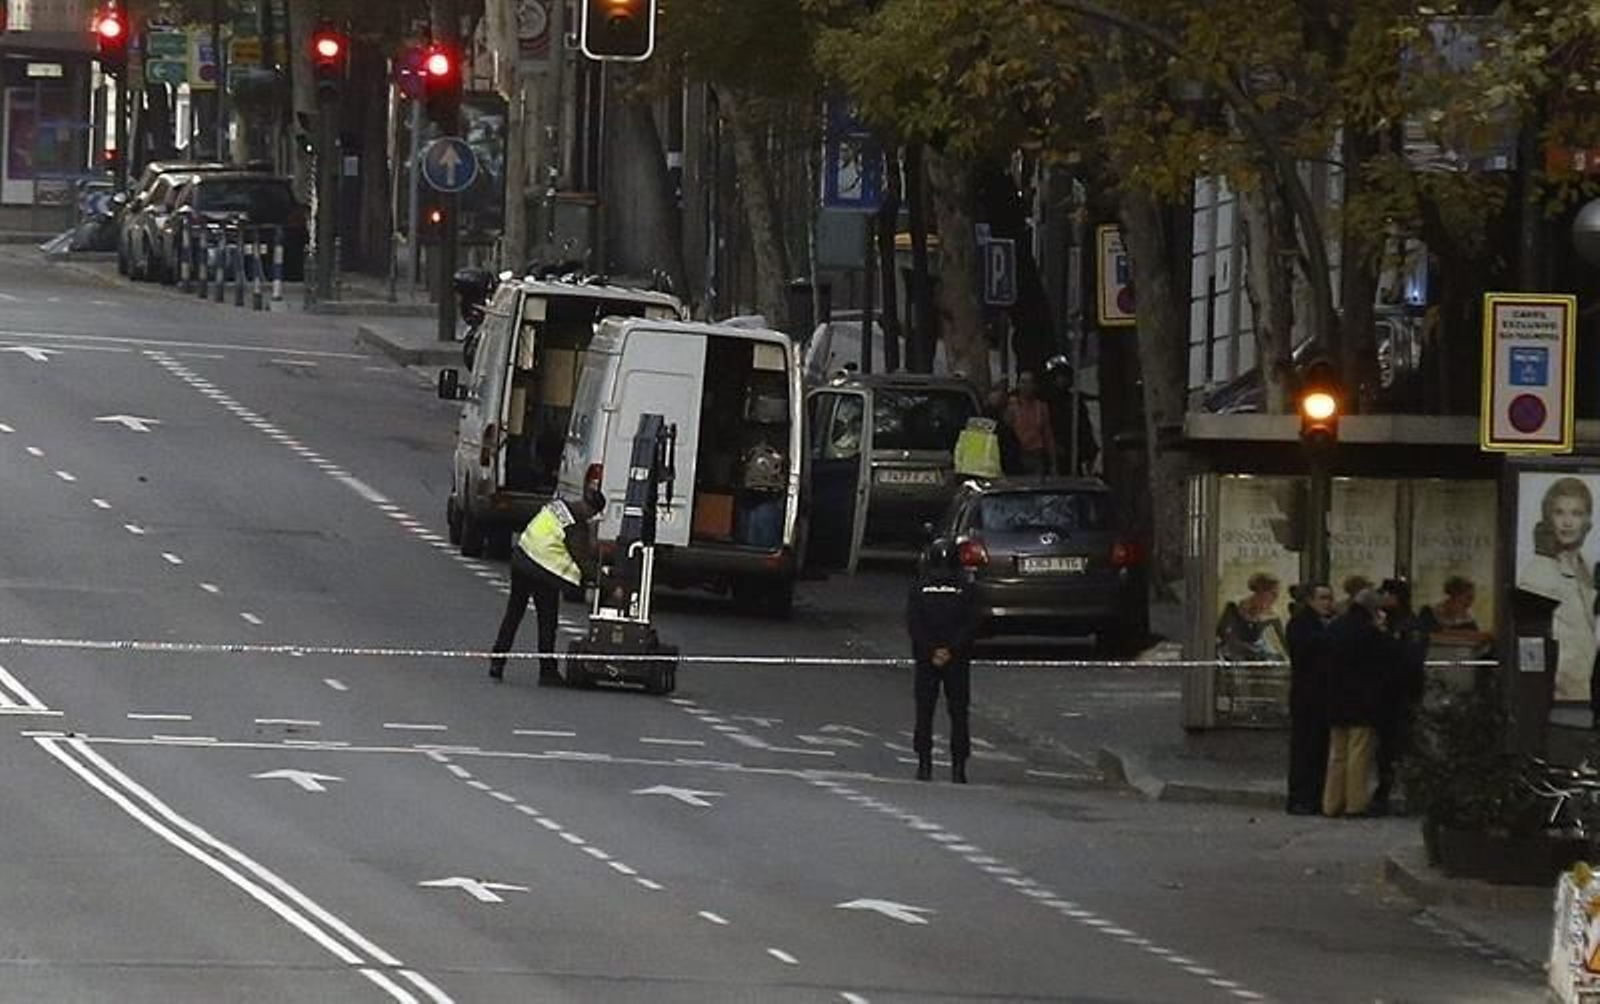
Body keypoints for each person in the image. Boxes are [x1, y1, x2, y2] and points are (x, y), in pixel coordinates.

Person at [490, 490, 606, 684]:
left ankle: (497, 662)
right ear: (591, 511)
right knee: (547, 621)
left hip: (521, 558)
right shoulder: (577, 526)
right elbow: (582, 560)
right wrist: (605, 582)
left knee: (513, 614)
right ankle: (547, 671)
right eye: (594, 514)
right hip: (542, 572)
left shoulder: (557, 506)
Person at [1517, 477, 1599, 707]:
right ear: (1548, 518)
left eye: (1576, 513)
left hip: (1583, 697)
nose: (1567, 522)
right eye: (1559, 512)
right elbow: (1529, 643)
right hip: (1558, 700)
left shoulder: (1585, 569)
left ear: (1587, 520)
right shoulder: (1540, 570)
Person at [907, 539, 980, 783]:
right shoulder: (966, 589)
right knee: (959, 712)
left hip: (927, 659)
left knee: (924, 712)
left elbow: (914, 624)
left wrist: (931, 650)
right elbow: (971, 624)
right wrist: (951, 649)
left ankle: (924, 765)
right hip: (957, 659)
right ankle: (958, 768)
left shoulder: (920, 588)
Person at [1322, 589, 1399, 818]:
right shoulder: (1370, 632)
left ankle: (1331, 803)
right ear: (1373, 610)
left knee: (1337, 754)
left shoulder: (1335, 627)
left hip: (1335, 697)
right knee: (1359, 753)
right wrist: (1383, 629)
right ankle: (1355, 804)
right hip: (1363, 701)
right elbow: (1390, 657)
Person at [1371, 579, 1426, 816]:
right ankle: (1387, 792)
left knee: (1399, 746)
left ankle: (1397, 794)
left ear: (1396, 597)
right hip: (1387, 694)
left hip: (1400, 694)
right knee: (1388, 748)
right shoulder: (1389, 622)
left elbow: (1411, 661)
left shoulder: (1407, 625)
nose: (1381, 598)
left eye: (1385, 593)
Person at [1285, 582, 1335, 815]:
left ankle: (1314, 796)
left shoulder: (1323, 624)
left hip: (1323, 696)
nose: (1328, 603)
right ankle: (1300, 798)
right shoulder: (1301, 624)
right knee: (1305, 749)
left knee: (1319, 750)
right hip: (1307, 696)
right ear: (1311, 601)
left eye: (1329, 598)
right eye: (1323, 598)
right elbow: (1305, 651)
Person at [1043, 355, 1099, 475]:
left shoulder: (1074, 401)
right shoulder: (1046, 401)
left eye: (1064, 376)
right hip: (1051, 453)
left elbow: (1084, 426)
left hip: (1074, 451)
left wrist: (1090, 450)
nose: (1062, 380)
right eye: (1059, 376)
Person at [1216, 572, 1287, 662]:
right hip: (1231, 651)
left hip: (1257, 653)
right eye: (1272, 594)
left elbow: (1285, 643)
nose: (1275, 598)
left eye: (1276, 594)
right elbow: (1223, 633)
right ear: (1260, 591)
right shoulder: (1234, 606)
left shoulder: (1272, 615)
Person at [1003, 371, 1057, 476]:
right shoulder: (1011, 405)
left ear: (1035, 385)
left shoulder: (1041, 407)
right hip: (1017, 455)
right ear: (1018, 384)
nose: (1026, 386)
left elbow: (1048, 435)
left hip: (1036, 455)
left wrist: (1053, 463)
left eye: (1029, 382)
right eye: (1023, 382)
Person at [982, 382, 1022, 476]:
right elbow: (1011, 464)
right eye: (1010, 405)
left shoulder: (976, 424)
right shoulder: (1005, 433)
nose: (1014, 411)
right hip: (998, 482)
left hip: (974, 480)